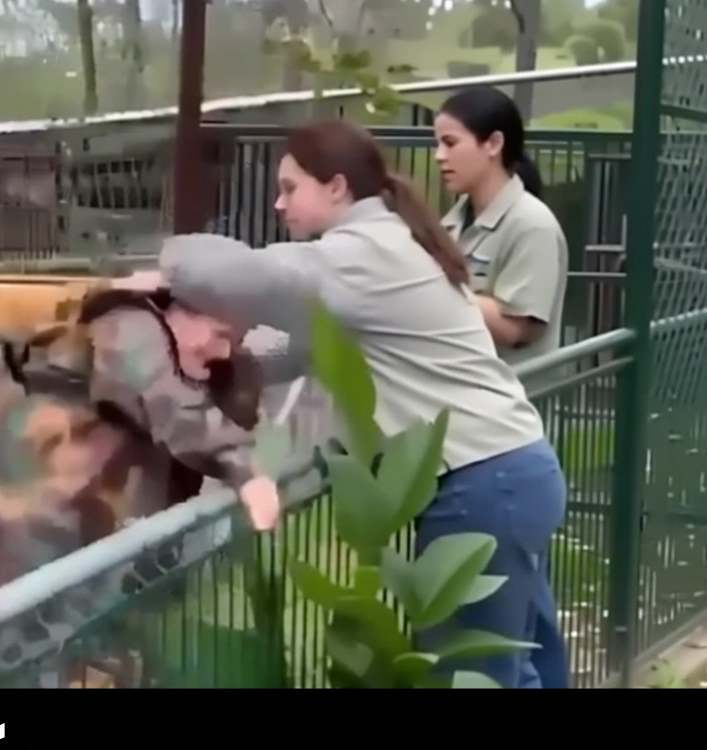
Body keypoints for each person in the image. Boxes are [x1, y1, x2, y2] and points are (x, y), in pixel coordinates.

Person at [125, 119, 571, 689]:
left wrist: (155, 277)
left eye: (290, 188)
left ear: (336, 187)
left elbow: (235, 274)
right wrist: (216, 355)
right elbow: (290, 352)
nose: (278, 203)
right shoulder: (389, 243)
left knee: (473, 676)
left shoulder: (359, 254)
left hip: (480, 481)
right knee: (521, 666)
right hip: (511, 470)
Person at [0, 287, 283, 605]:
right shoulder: (132, 333)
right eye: (220, 334)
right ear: (181, 313)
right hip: (27, 524)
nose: (222, 351)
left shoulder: (164, 356)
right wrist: (244, 471)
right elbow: (174, 410)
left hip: (68, 529)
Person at [433, 85, 570, 366]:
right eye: (438, 144)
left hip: (511, 390)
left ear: (494, 144)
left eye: (450, 143)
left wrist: (427, 287)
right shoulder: (453, 221)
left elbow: (513, 329)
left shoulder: (532, 225)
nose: (439, 155)